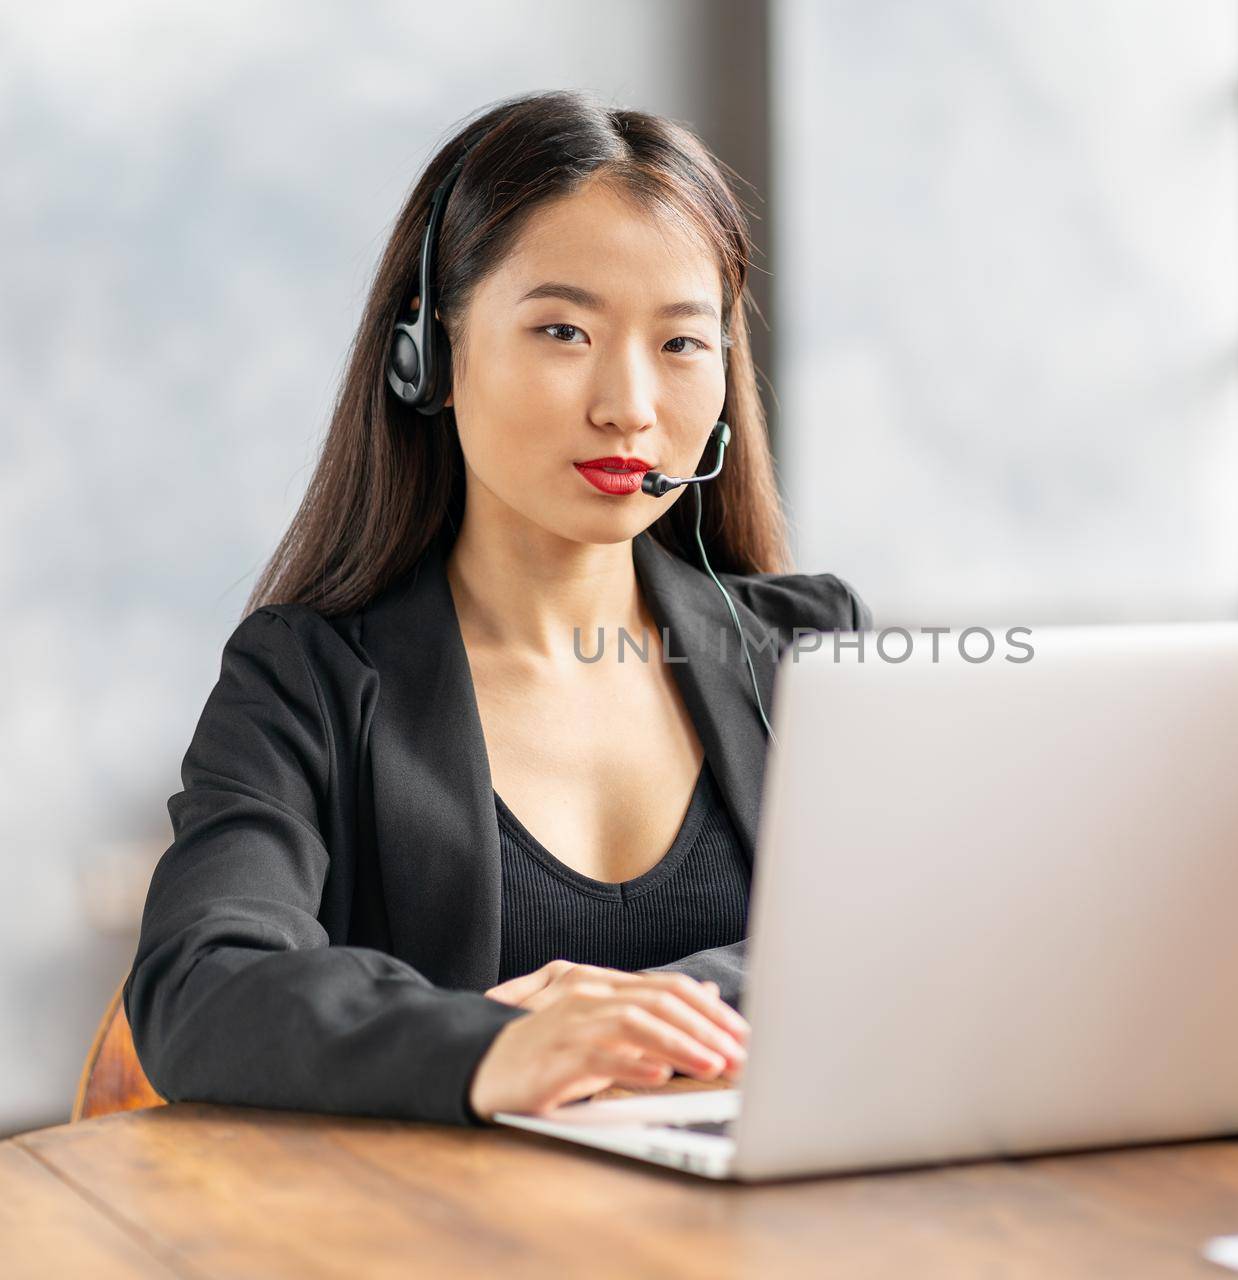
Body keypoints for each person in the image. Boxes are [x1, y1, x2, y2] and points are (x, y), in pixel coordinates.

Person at [124, 89, 871, 1128]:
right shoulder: (306, 677)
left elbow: (909, 940)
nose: (629, 405)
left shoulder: (805, 649)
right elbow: (198, 987)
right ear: (426, 353)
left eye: (682, 343)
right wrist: (495, 1041)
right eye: (564, 330)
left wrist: (655, 1008)